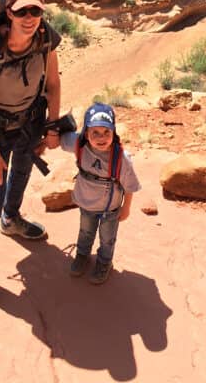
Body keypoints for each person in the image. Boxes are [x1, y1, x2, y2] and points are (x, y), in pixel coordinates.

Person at [0, 0, 62, 311]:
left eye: (35, 10)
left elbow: (52, 82)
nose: (29, 17)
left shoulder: (46, 37)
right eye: (22, 10)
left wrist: (51, 124)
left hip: (28, 123)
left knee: (20, 175)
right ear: (9, 11)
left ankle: (13, 220)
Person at [47, 102, 141, 285]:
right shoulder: (79, 144)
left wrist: (126, 208)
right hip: (87, 204)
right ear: (86, 133)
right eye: (95, 132)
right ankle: (82, 255)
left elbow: (129, 186)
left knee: (107, 238)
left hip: (110, 209)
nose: (101, 138)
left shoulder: (121, 159)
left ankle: (105, 262)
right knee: (85, 232)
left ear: (114, 132)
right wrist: (51, 132)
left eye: (106, 132)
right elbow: (59, 139)